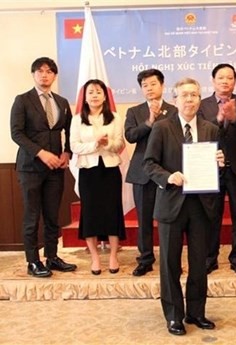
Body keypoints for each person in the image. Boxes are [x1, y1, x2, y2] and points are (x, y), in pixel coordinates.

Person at [143, 78, 224, 336]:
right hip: (171, 204)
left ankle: (196, 312)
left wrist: (220, 163)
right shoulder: (162, 128)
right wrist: (168, 177)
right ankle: (174, 315)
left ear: (200, 99)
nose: (189, 99)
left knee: (200, 262)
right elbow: (149, 164)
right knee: (169, 263)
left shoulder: (211, 129)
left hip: (201, 205)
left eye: (194, 95)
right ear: (175, 100)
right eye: (184, 95)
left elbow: (215, 169)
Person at [10, 57, 77, 278]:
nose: (44, 75)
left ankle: (52, 257)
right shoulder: (22, 100)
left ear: (54, 76)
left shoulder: (61, 101)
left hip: (55, 169)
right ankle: (33, 261)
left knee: (52, 215)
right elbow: (17, 133)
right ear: (33, 75)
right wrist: (41, 153)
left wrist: (67, 152)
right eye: (40, 71)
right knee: (31, 215)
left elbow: (70, 131)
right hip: (30, 167)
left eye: (49, 71)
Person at [198, 63, 236, 275]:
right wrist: (219, 119)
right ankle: (210, 258)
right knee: (210, 216)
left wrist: (234, 117)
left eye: (229, 77)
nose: (225, 81)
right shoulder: (203, 105)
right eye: (221, 77)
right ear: (213, 81)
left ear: (235, 81)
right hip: (212, 168)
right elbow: (201, 132)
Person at [70, 79, 126, 275]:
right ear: (85, 97)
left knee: (112, 212)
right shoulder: (77, 119)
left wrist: (107, 143)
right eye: (91, 92)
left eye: (98, 92)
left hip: (109, 170)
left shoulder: (115, 118)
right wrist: (95, 144)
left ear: (105, 96)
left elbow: (119, 144)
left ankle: (113, 256)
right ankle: (95, 258)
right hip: (88, 171)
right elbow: (74, 146)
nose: (94, 95)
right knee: (91, 214)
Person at [125, 69, 177, 276]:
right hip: (142, 172)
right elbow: (130, 136)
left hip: (168, 172)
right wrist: (149, 121)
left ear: (162, 86)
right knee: (144, 219)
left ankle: (170, 260)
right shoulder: (134, 111)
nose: (149, 88)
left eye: (153, 84)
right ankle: (145, 258)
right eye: (145, 85)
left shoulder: (173, 111)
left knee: (170, 220)